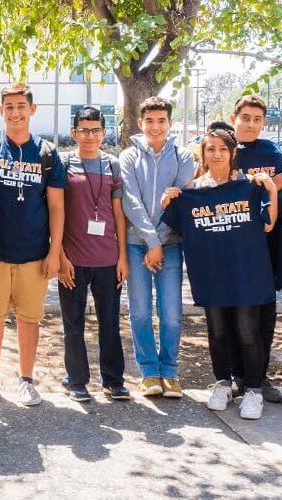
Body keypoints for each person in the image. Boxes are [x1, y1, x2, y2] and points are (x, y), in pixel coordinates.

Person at [161, 128, 277, 419]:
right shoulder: (193, 191)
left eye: (222, 149)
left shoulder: (248, 185)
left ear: (232, 153)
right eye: (210, 149)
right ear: (203, 154)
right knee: (218, 331)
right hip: (212, 273)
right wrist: (170, 198)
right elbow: (173, 221)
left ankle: (253, 390)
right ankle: (223, 382)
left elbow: (267, 225)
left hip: (246, 272)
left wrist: (272, 189)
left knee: (248, 331)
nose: (216, 154)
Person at [0, 84, 64, 407]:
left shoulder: (48, 154)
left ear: (32, 109)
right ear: (1, 111)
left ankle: (26, 381)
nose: (15, 112)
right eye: (9, 107)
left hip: (33, 254)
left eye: (21, 106)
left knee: (29, 320)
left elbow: (56, 206)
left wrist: (55, 252)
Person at [119, 96, 195, 398]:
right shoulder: (127, 157)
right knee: (139, 311)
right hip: (138, 245)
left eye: (161, 120)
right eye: (149, 120)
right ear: (140, 123)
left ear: (170, 123)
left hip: (171, 245)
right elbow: (130, 201)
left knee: (171, 312)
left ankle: (170, 372)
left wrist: (160, 243)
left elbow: (175, 200)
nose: (155, 126)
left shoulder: (184, 156)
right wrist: (151, 243)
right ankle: (149, 372)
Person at [58, 106, 130, 402]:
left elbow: (118, 214)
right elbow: (56, 211)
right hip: (72, 260)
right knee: (73, 323)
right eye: (84, 130)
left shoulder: (112, 165)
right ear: (74, 133)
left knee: (110, 322)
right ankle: (77, 379)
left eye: (96, 130)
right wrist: (60, 256)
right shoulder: (63, 164)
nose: (90, 136)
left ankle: (113, 380)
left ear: (104, 132)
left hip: (108, 259)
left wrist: (123, 257)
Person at [229, 95, 282, 403]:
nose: (250, 123)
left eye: (257, 119)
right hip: (232, 241)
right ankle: (236, 376)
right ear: (235, 117)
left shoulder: (272, 151)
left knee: (264, 311)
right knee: (233, 311)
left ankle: (260, 378)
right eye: (245, 117)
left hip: (266, 241)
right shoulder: (223, 147)